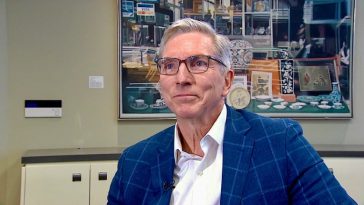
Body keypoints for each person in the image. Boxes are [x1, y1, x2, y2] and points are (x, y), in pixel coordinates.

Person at [108, 18, 356, 205]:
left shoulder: (280, 143)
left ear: (227, 81)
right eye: (170, 66)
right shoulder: (135, 162)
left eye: (198, 63)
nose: (181, 78)